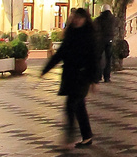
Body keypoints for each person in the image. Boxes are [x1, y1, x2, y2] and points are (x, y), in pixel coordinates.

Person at [42, 8, 98, 146]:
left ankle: (72, 134)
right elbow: (60, 54)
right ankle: (85, 136)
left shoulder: (89, 36)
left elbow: (94, 58)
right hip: (70, 74)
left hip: (83, 75)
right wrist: (46, 68)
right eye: (75, 18)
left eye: (80, 18)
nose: (77, 20)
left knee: (73, 104)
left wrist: (94, 80)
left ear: (85, 19)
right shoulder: (71, 34)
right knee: (77, 105)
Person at [96, 7, 116, 82]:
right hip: (109, 40)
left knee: (99, 58)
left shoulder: (98, 19)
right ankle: (107, 77)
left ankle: (98, 76)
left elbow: (95, 29)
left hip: (100, 40)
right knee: (108, 59)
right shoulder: (113, 19)